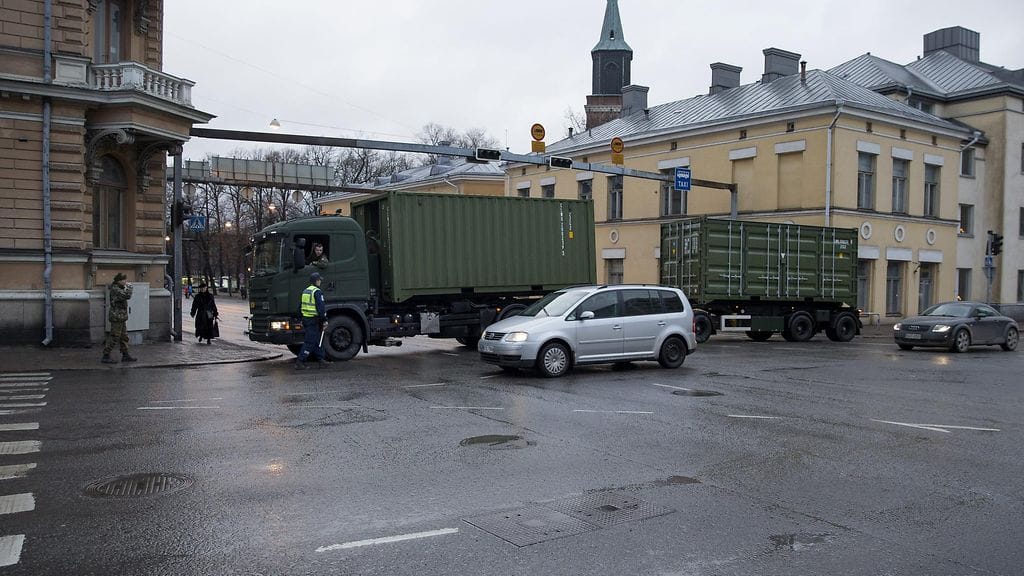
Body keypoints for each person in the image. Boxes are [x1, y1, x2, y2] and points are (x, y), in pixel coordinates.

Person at [295, 272, 328, 369]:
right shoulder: (317, 292)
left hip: (306, 319)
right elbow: (321, 308)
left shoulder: (306, 291)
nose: (320, 281)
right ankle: (300, 361)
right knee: (310, 342)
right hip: (314, 320)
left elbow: (300, 306)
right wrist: (324, 320)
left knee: (318, 340)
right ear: (316, 281)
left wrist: (299, 318)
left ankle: (321, 360)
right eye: (319, 280)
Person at [101, 273, 136, 364]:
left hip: (121, 316)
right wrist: (130, 288)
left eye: (126, 279)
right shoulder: (115, 289)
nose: (126, 281)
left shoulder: (119, 288)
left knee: (124, 336)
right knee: (114, 336)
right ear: (119, 281)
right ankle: (106, 355)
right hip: (117, 317)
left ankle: (125, 355)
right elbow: (127, 296)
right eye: (124, 280)